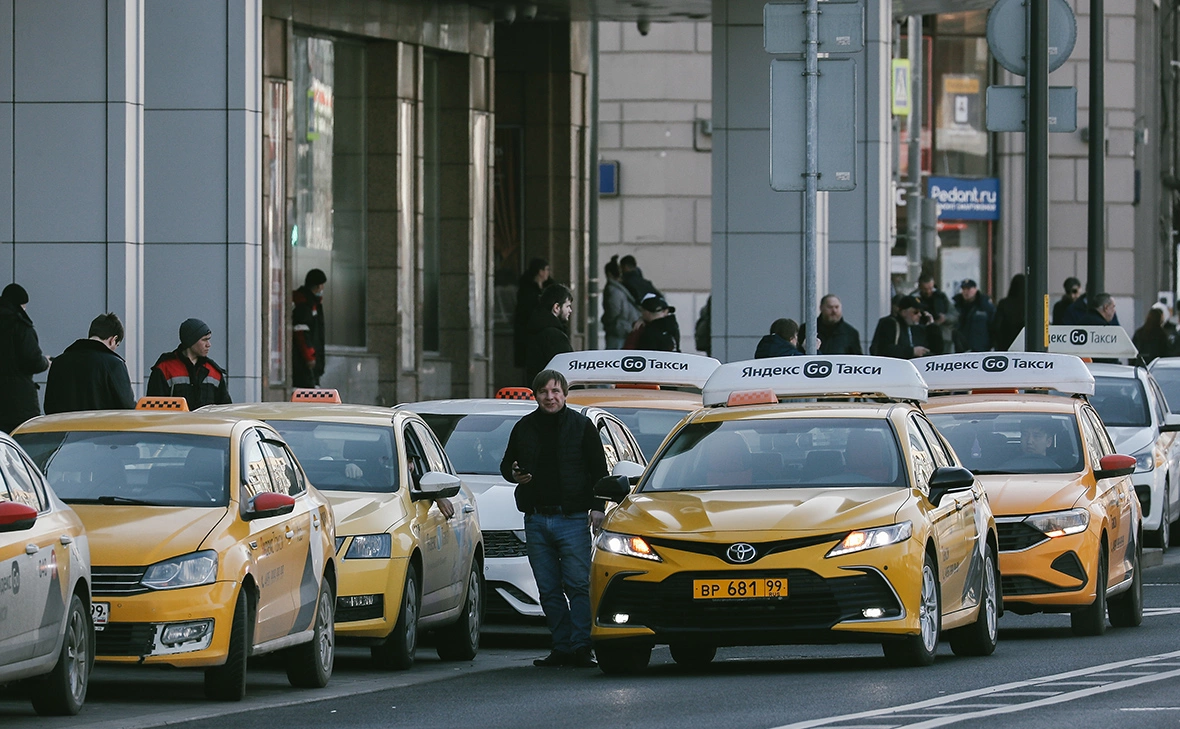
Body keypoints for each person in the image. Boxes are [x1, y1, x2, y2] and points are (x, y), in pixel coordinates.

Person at [499, 369, 607, 668]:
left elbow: (600, 472)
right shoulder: (524, 427)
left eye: (556, 391)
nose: (550, 397)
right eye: (544, 392)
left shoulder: (582, 426)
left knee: (577, 584)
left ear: (565, 394)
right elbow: (507, 464)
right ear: (536, 395)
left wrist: (597, 507)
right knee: (548, 588)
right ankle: (561, 647)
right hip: (535, 518)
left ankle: (582, 646)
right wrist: (515, 474)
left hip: (572, 518)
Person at [43, 312, 136, 414]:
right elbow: (128, 406)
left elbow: (49, 406)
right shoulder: (114, 364)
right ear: (113, 340)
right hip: (100, 428)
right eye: (116, 345)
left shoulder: (58, 362)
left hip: (64, 428)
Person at [147, 318, 232, 410]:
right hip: (175, 424)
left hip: (207, 424)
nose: (208, 344)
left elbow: (226, 410)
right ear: (191, 341)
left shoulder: (214, 372)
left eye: (208, 339)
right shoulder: (164, 369)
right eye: (204, 340)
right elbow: (153, 412)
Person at [0, 283, 50, 433]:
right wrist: (45, 362)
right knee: (24, 441)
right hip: (18, 400)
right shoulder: (20, 326)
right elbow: (32, 361)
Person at [525, 284, 573, 383]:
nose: (570, 310)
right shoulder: (554, 335)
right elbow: (567, 369)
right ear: (556, 307)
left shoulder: (537, 327)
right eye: (567, 306)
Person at [870, 295, 940, 359]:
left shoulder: (918, 328)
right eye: (915, 312)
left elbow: (936, 350)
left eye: (920, 312)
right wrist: (912, 351)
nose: (919, 315)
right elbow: (884, 349)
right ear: (904, 312)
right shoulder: (891, 324)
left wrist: (932, 327)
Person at [292, 268, 327, 388]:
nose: (322, 289)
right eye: (322, 286)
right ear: (317, 286)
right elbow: (301, 331)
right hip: (304, 364)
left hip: (309, 363)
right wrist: (310, 356)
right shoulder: (305, 304)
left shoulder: (313, 303)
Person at [514, 258, 551, 369]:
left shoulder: (547, 287)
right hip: (529, 332)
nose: (548, 273)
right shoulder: (527, 290)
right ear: (540, 272)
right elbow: (526, 311)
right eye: (547, 270)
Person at [601, 255, 641, 349]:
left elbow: (613, 310)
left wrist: (605, 321)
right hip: (624, 327)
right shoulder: (620, 287)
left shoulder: (613, 290)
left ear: (609, 274)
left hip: (618, 329)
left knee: (614, 356)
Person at [952, 279, 995, 352]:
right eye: (963, 289)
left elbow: (993, 325)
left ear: (975, 289)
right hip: (961, 348)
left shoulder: (984, 306)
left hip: (981, 347)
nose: (966, 292)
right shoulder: (957, 306)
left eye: (968, 289)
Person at [991, 274, 1026, 351]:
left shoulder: (1004, 303)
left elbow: (996, 326)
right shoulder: (1030, 305)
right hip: (1024, 345)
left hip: (1006, 345)